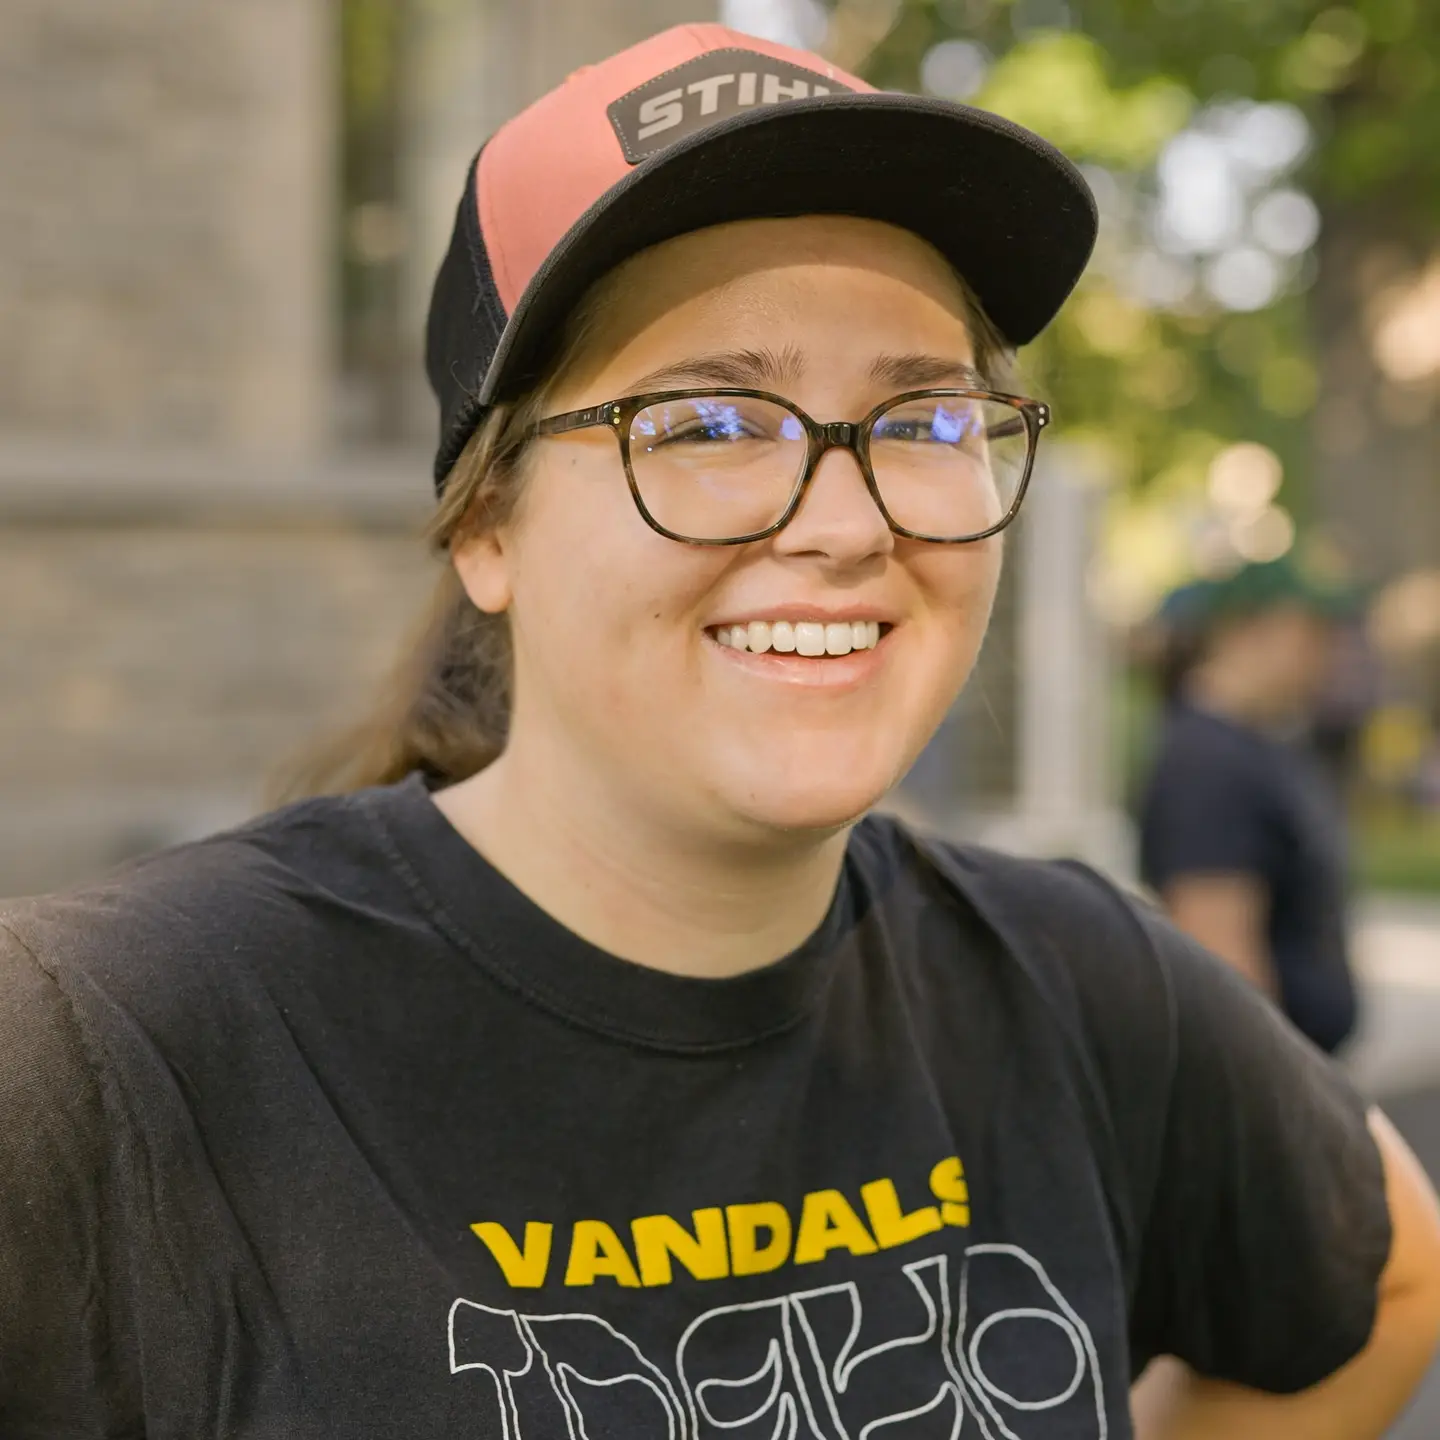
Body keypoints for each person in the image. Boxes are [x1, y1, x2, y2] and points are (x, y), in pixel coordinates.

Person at [2, 25, 1438, 1440]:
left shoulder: (1074, 987)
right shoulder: (103, 1051)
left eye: (926, 422)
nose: (841, 524)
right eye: (704, 423)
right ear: (485, 526)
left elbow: (1387, 1275)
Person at [1138, 558, 1364, 1054]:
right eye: (1312, 635)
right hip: (1273, 1086)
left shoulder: (1259, 744)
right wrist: (1288, 1110)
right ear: (1249, 631)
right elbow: (1223, 964)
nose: (1328, 656)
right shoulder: (1209, 763)